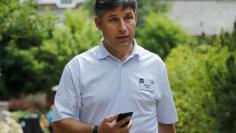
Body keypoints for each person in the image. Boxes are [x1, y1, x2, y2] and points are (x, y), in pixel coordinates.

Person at [52, 0, 178, 133]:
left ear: (136, 17)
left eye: (128, 17)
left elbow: (166, 124)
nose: (122, 28)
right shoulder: (77, 68)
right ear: (98, 23)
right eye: (113, 20)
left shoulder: (155, 64)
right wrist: (97, 131)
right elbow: (60, 124)